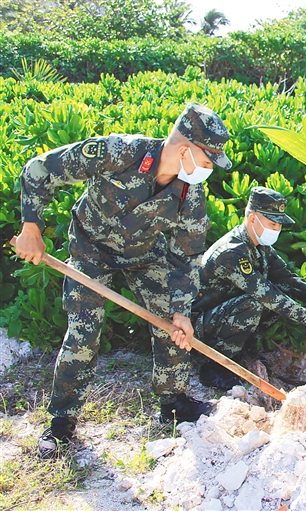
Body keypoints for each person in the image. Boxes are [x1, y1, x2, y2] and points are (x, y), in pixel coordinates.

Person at [15, 102, 232, 459]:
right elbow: (40, 169)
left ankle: (174, 402)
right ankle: (60, 422)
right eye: (207, 161)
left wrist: (180, 310)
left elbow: (187, 254)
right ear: (184, 150)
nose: (209, 170)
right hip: (91, 249)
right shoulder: (119, 152)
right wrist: (31, 226)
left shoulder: (190, 192)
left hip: (144, 255)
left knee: (172, 325)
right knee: (84, 332)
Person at [191, 186, 306, 390]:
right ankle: (214, 367)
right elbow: (267, 295)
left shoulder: (259, 246)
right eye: (272, 224)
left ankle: (238, 353)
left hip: (221, 316)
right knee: (258, 303)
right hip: (197, 326)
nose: (276, 230)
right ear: (253, 218)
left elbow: (285, 277)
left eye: (279, 225)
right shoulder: (231, 252)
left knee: (273, 305)